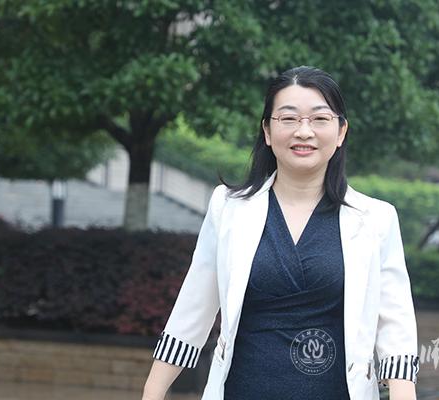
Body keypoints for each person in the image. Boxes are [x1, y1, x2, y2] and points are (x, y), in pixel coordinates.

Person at [142, 66, 419, 400]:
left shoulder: (376, 219)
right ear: (267, 131)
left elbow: (395, 330)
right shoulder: (228, 208)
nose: (304, 131)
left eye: (320, 119)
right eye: (288, 119)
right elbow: (193, 308)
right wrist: (152, 391)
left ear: (341, 131)